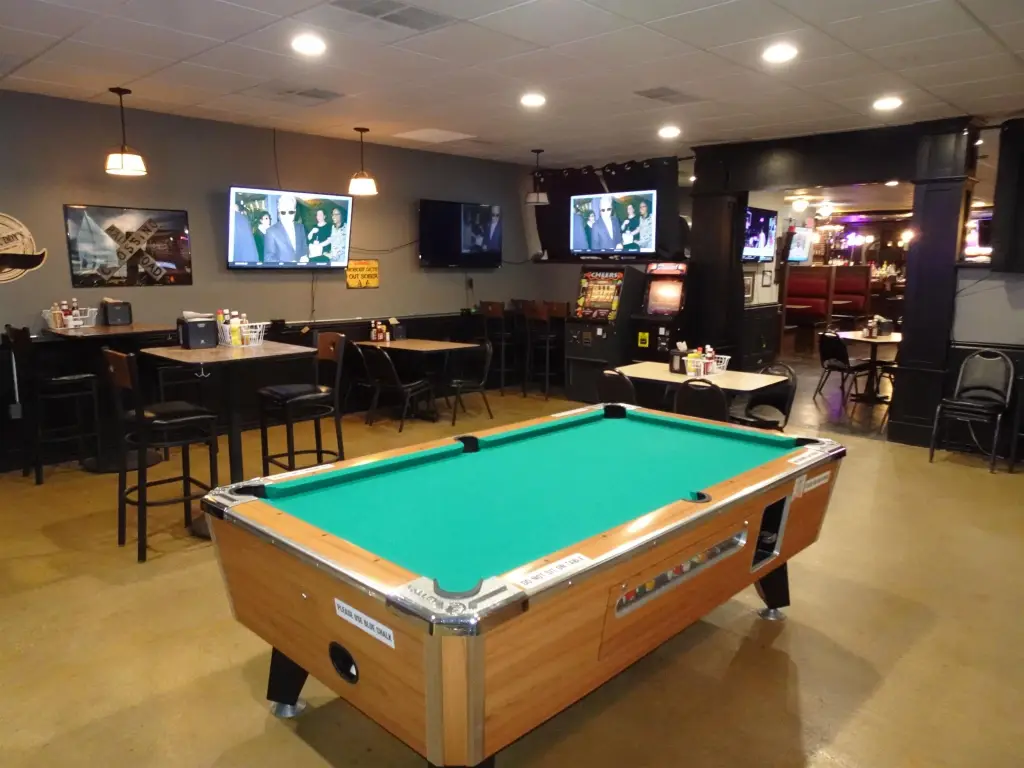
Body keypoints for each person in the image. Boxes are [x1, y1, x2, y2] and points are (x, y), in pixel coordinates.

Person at [263, 193, 308, 264]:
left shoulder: (300, 227)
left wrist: (305, 256)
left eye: (291, 212)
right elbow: (269, 259)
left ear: (295, 211)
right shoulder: (271, 231)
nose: (287, 215)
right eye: (283, 212)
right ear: (279, 212)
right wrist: (287, 265)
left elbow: (304, 248)